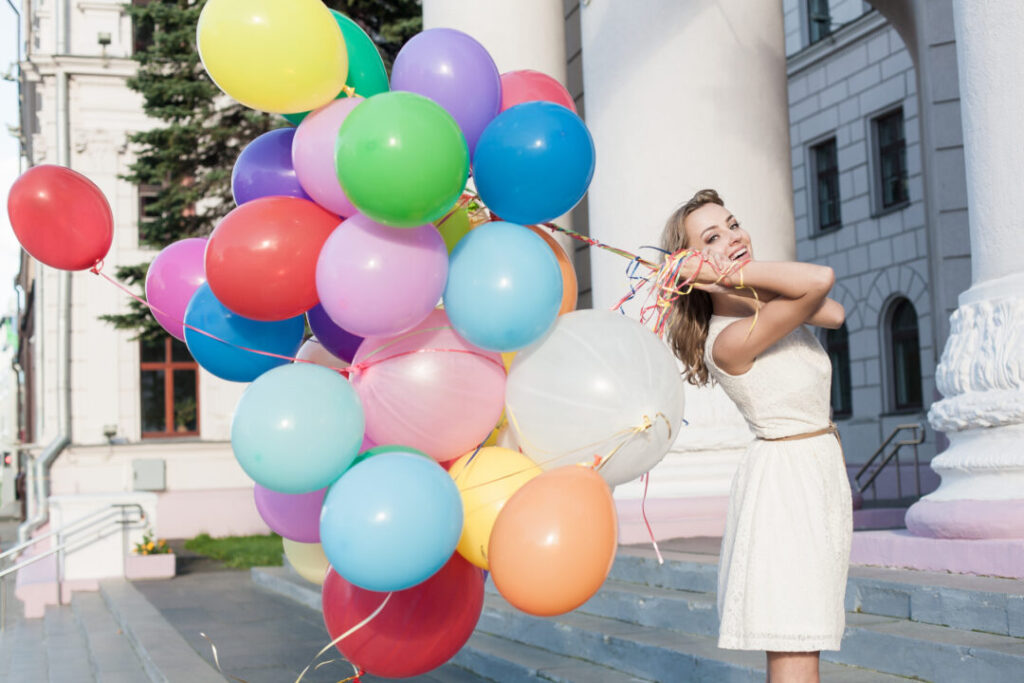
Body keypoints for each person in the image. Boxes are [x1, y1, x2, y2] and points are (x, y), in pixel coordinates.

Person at [661, 189, 852, 683]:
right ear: (692, 267)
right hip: (785, 491)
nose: (734, 236)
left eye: (733, 224)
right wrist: (725, 275)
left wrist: (727, 271)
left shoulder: (766, 311)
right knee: (795, 651)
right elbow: (818, 279)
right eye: (712, 237)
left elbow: (833, 311)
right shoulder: (727, 341)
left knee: (805, 644)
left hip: (815, 480)